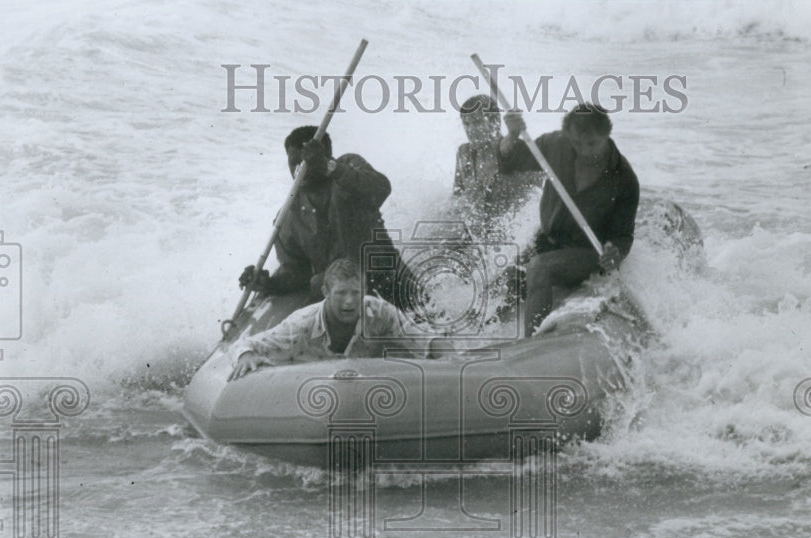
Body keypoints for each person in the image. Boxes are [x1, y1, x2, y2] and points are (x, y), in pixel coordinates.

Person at [499, 103, 640, 336]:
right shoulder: (555, 144)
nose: (584, 151)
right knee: (505, 281)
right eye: (576, 143)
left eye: (592, 143)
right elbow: (511, 163)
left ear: (606, 134)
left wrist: (614, 252)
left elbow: (623, 236)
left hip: (588, 251)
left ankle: (531, 346)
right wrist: (512, 136)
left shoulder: (624, 178)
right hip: (548, 240)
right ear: (567, 135)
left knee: (539, 268)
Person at [238, 126, 416, 310]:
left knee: (430, 320)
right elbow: (298, 272)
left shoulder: (347, 166)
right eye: (293, 163)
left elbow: (381, 188)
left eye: (306, 162)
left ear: (327, 157)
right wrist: (268, 283)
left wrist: (329, 168)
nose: (299, 169)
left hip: (385, 273)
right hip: (344, 294)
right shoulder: (288, 215)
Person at [229, 258, 436, 379]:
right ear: (326, 292)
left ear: (364, 291)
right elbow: (245, 344)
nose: (349, 302)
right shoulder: (301, 324)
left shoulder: (378, 311)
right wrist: (246, 357)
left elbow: (425, 339)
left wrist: (453, 360)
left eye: (356, 293)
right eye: (341, 293)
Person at [452, 94, 543, 231]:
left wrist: (513, 134)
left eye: (477, 122)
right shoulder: (464, 153)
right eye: (466, 123)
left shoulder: (514, 148)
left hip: (510, 230)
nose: (470, 129)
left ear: (495, 123)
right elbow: (457, 195)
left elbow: (505, 150)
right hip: (476, 229)